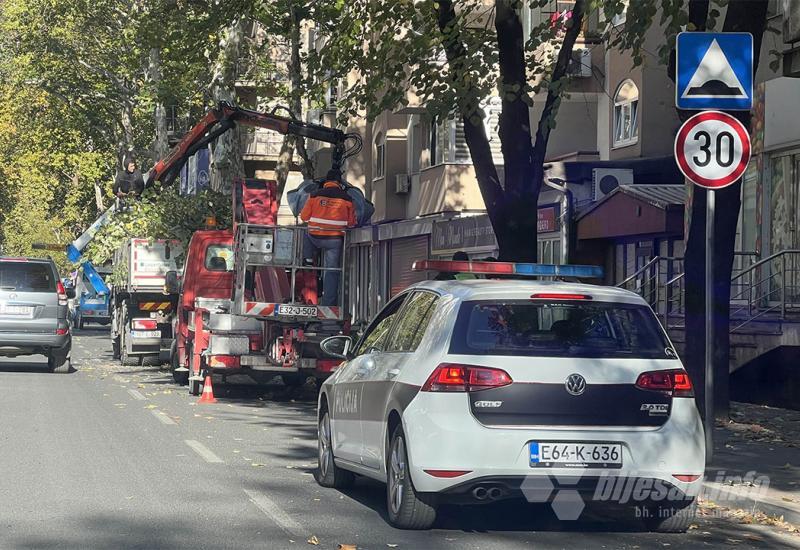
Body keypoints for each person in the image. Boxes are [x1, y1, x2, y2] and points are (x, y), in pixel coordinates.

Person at [299, 170, 357, 306]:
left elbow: (304, 217)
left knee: (303, 232)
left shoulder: (314, 195)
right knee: (332, 271)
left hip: (314, 236)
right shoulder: (347, 198)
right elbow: (351, 222)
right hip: (334, 240)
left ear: (326, 182)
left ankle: (307, 260)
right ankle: (328, 304)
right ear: (339, 183)